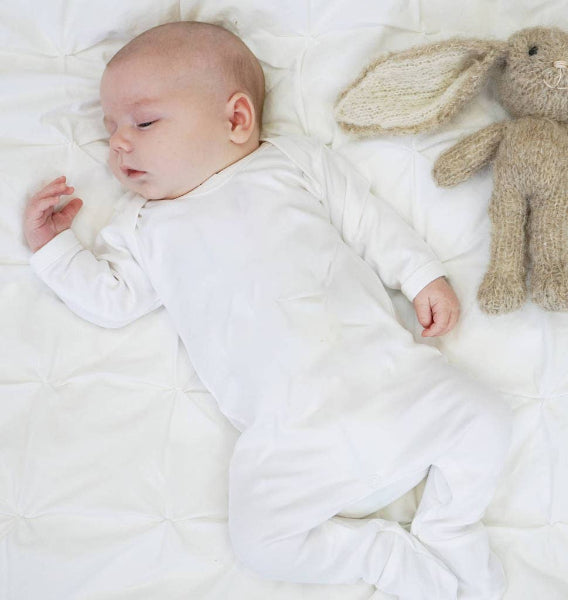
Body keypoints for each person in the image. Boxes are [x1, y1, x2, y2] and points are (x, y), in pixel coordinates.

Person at [23, 21, 512, 600]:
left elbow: (367, 220)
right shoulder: (143, 226)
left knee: (487, 418)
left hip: (390, 382)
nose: (120, 143)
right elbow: (112, 300)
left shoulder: (291, 162)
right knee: (259, 542)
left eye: (144, 121)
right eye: (110, 130)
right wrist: (54, 249)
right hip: (289, 438)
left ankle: (449, 523)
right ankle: (381, 556)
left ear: (236, 119)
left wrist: (421, 274)